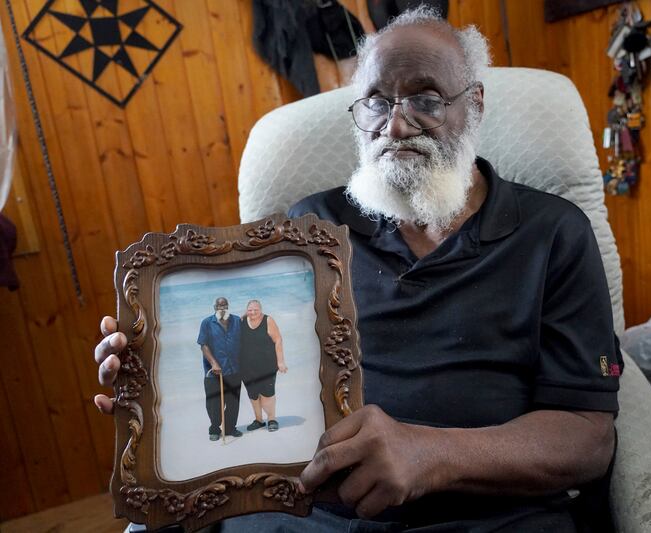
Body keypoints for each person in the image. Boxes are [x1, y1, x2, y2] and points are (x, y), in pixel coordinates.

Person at [95, 6, 623, 531]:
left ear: (476, 105)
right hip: (302, 512)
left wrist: (429, 454)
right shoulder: (307, 229)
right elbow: (250, 358)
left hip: (484, 516)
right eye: (375, 101)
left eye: (426, 99)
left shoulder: (553, 233)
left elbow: (587, 438)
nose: (395, 124)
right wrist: (158, 378)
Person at [197, 297, 243, 440]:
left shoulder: (236, 321)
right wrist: (213, 363)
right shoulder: (207, 323)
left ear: (228, 306)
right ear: (214, 307)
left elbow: (245, 340)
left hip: (234, 369)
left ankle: (230, 428)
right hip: (214, 372)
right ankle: (215, 429)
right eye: (219, 306)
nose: (222, 308)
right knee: (214, 403)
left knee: (233, 402)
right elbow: (203, 345)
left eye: (224, 305)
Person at [240, 299, 288, 432]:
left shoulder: (268, 320)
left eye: (256, 309)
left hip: (267, 366)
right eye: (250, 310)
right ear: (246, 311)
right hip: (247, 368)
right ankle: (259, 420)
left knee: (268, 394)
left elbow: (278, 340)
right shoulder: (242, 321)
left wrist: (281, 362)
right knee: (253, 395)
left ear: (261, 310)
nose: (253, 312)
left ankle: (272, 419)